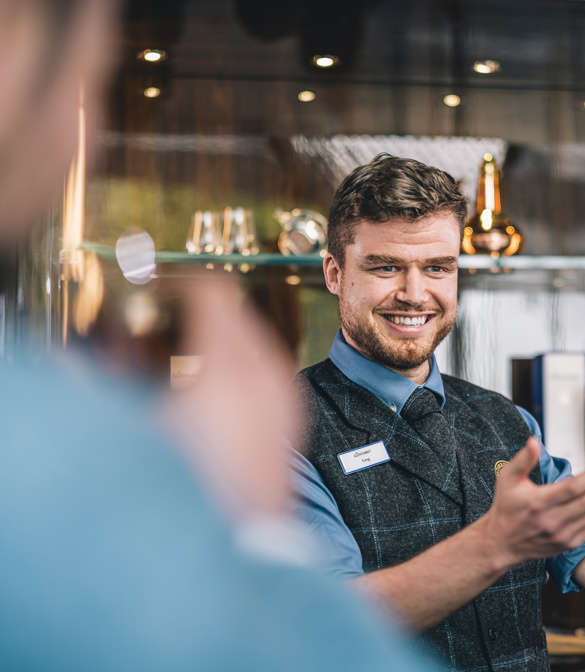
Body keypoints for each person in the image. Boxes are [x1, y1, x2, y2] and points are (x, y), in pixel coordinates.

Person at [0, 2, 448, 670]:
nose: (84, 141)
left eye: (438, 267)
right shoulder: (65, 463)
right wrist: (250, 522)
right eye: (87, 84)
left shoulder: (502, 419)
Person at [292, 153, 585, 672]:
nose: (414, 293)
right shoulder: (281, 430)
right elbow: (324, 620)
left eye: (437, 268)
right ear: (335, 273)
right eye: (385, 267)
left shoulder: (505, 421)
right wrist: (496, 544)